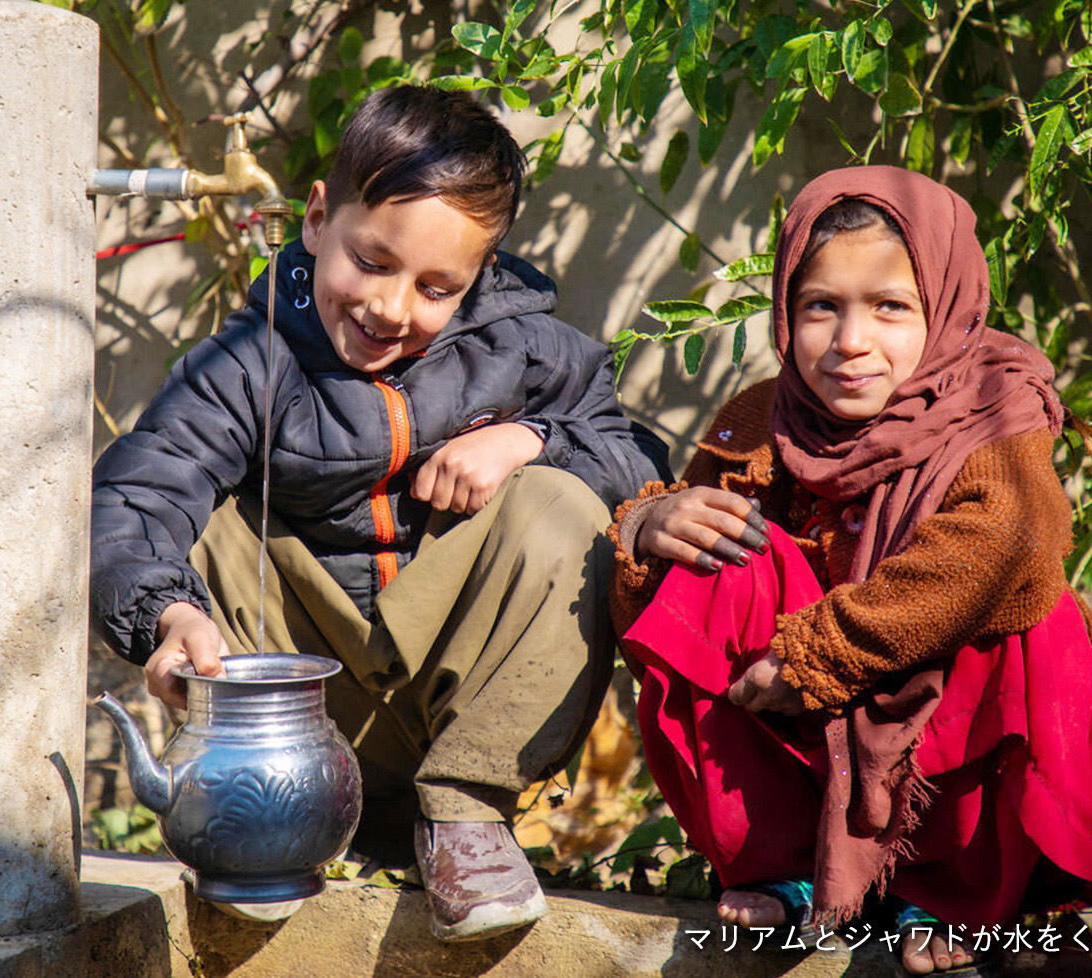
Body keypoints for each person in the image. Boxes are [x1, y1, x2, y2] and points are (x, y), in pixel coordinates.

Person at [607, 166, 1092, 976]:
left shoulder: (997, 411)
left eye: (891, 308)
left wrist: (817, 656)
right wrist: (648, 527)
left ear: (946, 304)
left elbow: (998, 547)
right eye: (819, 307)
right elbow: (659, 606)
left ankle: (949, 890)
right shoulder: (763, 421)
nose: (851, 342)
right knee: (716, 549)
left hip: (937, 737)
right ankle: (790, 869)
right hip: (799, 733)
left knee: (1032, 617)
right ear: (784, 314)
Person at [91, 85, 669, 941]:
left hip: (467, 714)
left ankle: (466, 816)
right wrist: (166, 614)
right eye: (371, 262)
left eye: (438, 287)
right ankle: (264, 830)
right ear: (319, 219)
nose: (391, 309)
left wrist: (529, 438)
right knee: (207, 522)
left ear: (479, 280)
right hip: (311, 725)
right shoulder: (248, 364)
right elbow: (139, 494)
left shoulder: (528, 353)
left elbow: (640, 463)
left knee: (562, 499)